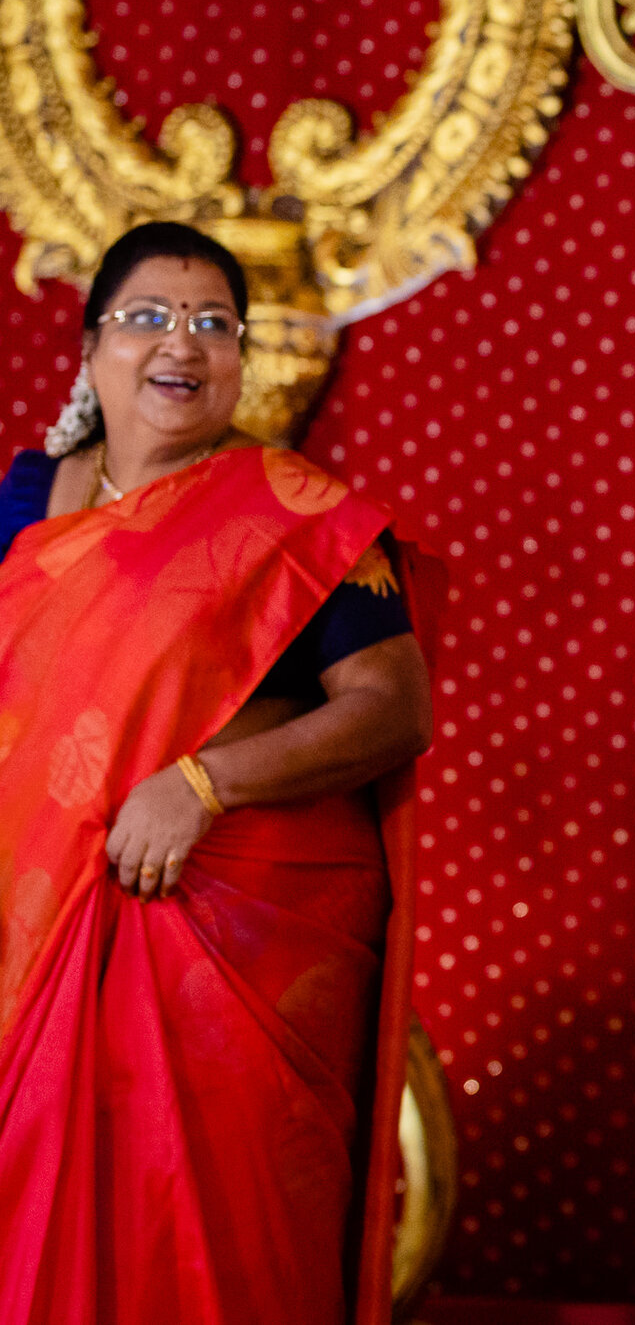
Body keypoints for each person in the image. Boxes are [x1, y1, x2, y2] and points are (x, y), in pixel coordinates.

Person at [0, 220, 433, 1325]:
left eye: (210, 323)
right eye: (146, 317)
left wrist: (202, 785)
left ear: (242, 357)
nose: (177, 344)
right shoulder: (17, 501)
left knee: (201, 1248)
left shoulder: (293, 518)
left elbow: (392, 708)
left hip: (214, 960)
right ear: (92, 347)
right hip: (22, 940)